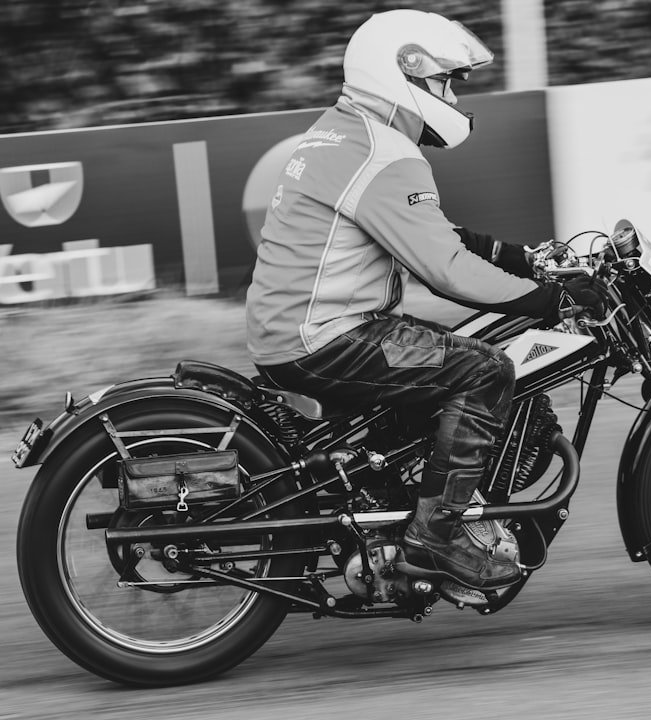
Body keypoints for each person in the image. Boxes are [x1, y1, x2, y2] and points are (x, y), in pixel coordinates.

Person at [245, 9, 604, 591]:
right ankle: (440, 532)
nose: (451, 94)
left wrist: (521, 259)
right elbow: (447, 270)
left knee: (448, 352)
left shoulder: (348, 132)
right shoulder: (385, 153)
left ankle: (396, 499)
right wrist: (550, 299)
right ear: (403, 73)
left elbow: (431, 233)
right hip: (327, 336)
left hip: (297, 328)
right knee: (486, 369)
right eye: (445, 81)